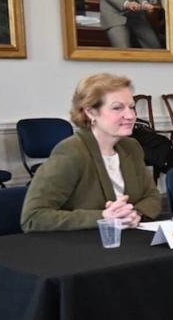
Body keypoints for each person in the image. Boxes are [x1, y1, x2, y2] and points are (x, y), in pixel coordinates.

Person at [21, 73, 162, 232]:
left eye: (131, 107)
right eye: (117, 108)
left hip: (130, 241)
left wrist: (136, 213)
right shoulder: (71, 151)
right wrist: (103, 217)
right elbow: (34, 217)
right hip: (83, 247)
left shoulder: (131, 147)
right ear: (91, 112)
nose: (130, 115)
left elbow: (153, 197)